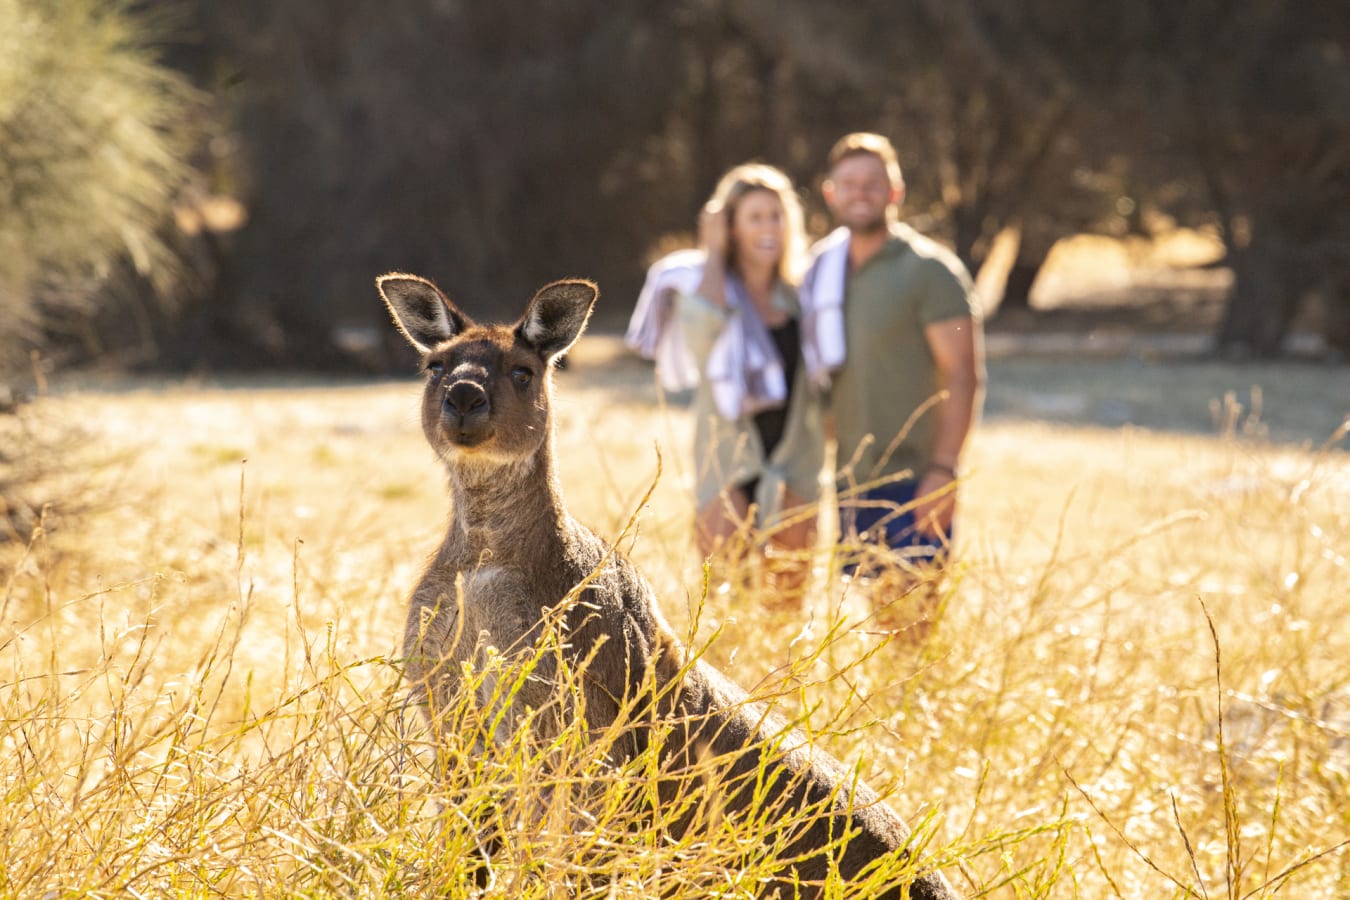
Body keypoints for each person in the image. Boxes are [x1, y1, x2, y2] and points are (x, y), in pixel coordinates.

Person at [800, 132, 985, 585]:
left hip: (915, 478)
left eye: (872, 183)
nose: (859, 192)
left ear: (895, 192)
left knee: (912, 623)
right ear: (830, 193)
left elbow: (964, 373)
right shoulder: (820, 271)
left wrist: (944, 471)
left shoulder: (931, 271)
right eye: (849, 183)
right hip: (850, 482)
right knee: (871, 628)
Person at [626, 163, 824, 575]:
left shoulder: (801, 298)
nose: (769, 227)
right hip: (726, 464)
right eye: (754, 217)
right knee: (724, 595)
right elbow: (706, 329)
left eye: (777, 215)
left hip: (795, 464)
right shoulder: (708, 289)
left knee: (788, 598)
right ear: (731, 227)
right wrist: (713, 251)